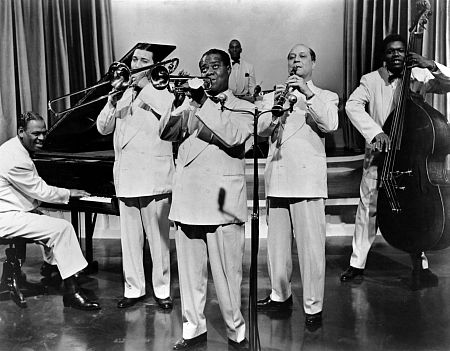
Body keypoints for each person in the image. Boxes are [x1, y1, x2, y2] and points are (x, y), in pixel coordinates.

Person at [159, 48, 253, 350]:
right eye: (203, 67)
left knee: (227, 277)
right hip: (188, 198)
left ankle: (236, 332)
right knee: (189, 275)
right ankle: (193, 329)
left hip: (221, 201)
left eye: (214, 66)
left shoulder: (245, 106)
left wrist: (201, 104)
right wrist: (177, 103)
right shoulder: (190, 104)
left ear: (229, 70)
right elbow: (167, 133)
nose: (208, 72)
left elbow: (235, 138)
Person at [340, 34, 450, 289]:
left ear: (406, 53)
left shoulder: (420, 77)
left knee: (417, 209)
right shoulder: (370, 80)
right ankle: (357, 264)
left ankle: (419, 265)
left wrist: (430, 64)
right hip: (382, 156)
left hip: (414, 157)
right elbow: (352, 106)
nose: (396, 55)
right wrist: (375, 132)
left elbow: (448, 83)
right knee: (368, 209)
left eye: (400, 51)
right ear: (384, 56)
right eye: (390, 51)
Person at [256, 44, 339, 331]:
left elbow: (330, 124)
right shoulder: (272, 96)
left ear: (313, 63)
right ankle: (280, 296)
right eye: (291, 57)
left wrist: (306, 93)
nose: (296, 61)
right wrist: (277, 108)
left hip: (307, 184)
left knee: (311, 251)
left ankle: (313, 306)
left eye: (302, 56)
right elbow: (261, 130)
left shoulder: (325, 96)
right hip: (278, 179)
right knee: (277, 249)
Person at [97, 43, 175, 310]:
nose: (136, 63)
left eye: (143, 60)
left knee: (158, 239)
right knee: (130, 240)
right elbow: (103, 128)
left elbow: (169, 113)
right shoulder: (123, 92)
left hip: (154, 177)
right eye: (134, 59)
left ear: (153, 65)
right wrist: (111, 100)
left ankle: (162, 290)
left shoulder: (162, 90)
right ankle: (133, 289)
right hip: (128, 177)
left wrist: (144, 88)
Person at [0, 111, 101, 311]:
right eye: (36, 133)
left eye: (44, 133)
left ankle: (56, 270)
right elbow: (41, 191)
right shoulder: (14, 158)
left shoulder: (13, 147)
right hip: (5, 217)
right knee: (62, 229)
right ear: (21, 131)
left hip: (12, 210)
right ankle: (71, 293)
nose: (42, 138)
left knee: (49, 226)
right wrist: (69, 192)